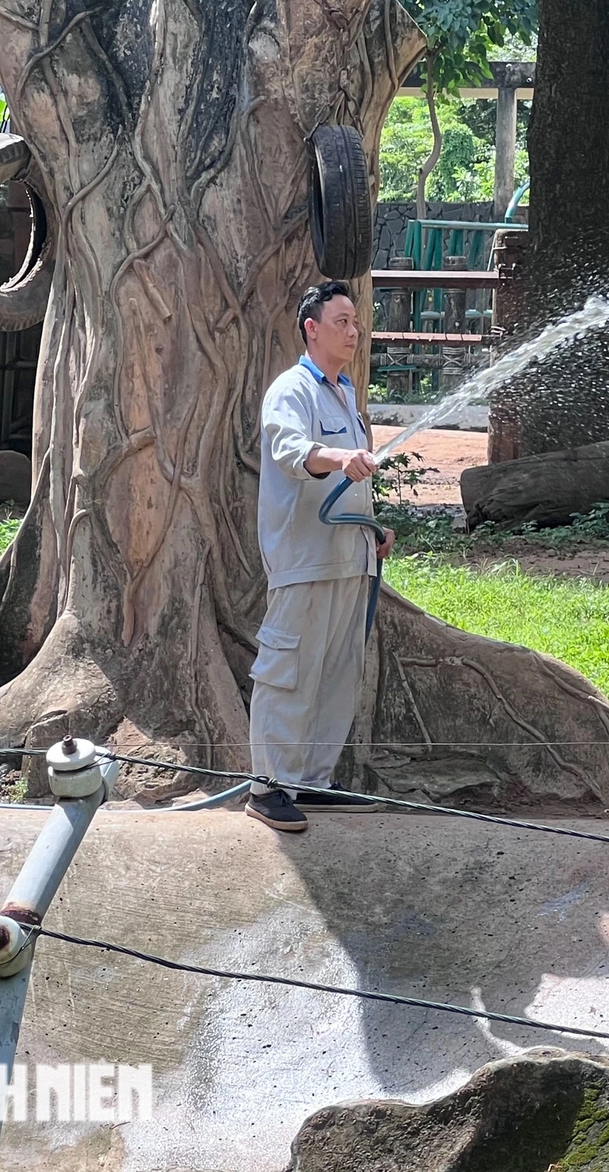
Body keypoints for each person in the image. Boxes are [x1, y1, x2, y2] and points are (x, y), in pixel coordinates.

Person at [245, 280, 396, 832]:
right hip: (303, 559)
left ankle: (313, 779)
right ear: (312, 329)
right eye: (341, 322)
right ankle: (268, 786)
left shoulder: (345, 395)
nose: (353, 332)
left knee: (336, 674)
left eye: (356, 322)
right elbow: (292, 453)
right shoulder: (292, 391)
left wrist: (372, 529)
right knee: (288, 673)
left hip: (349, 558)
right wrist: (338, 456)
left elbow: (353, 478)